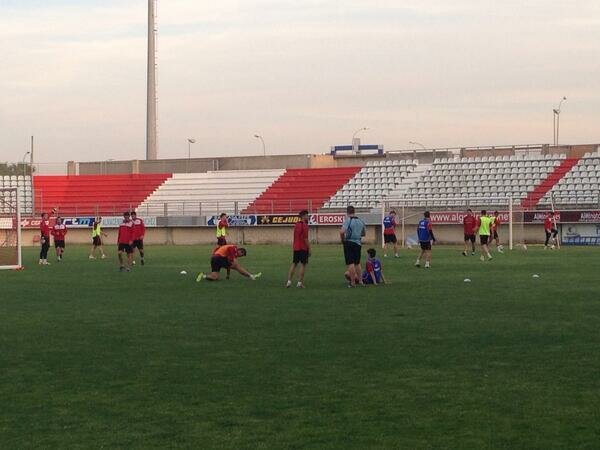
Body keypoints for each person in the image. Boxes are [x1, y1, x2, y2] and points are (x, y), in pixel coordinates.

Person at [196, 244, 261, 281]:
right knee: (237, 266)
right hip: (218, 258)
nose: (239, 256)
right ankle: (251, 276)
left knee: (215, 277)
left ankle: (203, 276)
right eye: (241, 255)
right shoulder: (234, 248)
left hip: (214, 259)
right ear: (240, 251)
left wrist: (228, 275)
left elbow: (229, 264)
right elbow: (232, 263)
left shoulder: (230, 251)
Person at [340, 205, 366, 287]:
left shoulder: (348, 220)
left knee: (350, 263)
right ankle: (361, 281)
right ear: (354, 211)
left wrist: (343, 240)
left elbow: (342, 232)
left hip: (349, 242)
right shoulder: (360, 221)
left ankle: (352, 282)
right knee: (357, 263)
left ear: (347, 212)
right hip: (358, 243)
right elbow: (364, 233)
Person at [286, 210, 310, 288]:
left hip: (296, 247)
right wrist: (309, 248)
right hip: (303, 247)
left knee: (294, 264)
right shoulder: (305, 225)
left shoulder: (296, 225)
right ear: (303, 216)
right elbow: (305, 238)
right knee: (303, 265)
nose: (308, 217)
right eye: (307, 215)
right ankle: (300, 283)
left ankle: (289, 282)